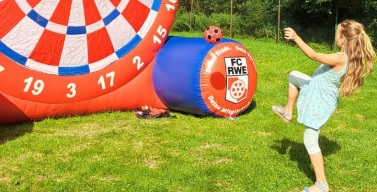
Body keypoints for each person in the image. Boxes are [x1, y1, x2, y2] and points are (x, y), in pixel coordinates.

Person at [272, 19, 376, 192]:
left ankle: (321, 184)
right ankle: (287, 112)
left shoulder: (340, 58)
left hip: (320, 100)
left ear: (343, 38)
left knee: (310, 139)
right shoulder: (347, 57)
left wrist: (296, 38)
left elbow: (313, 55)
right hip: (317, 90)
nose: (335, 35)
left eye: (337, 33)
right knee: (293, 76)